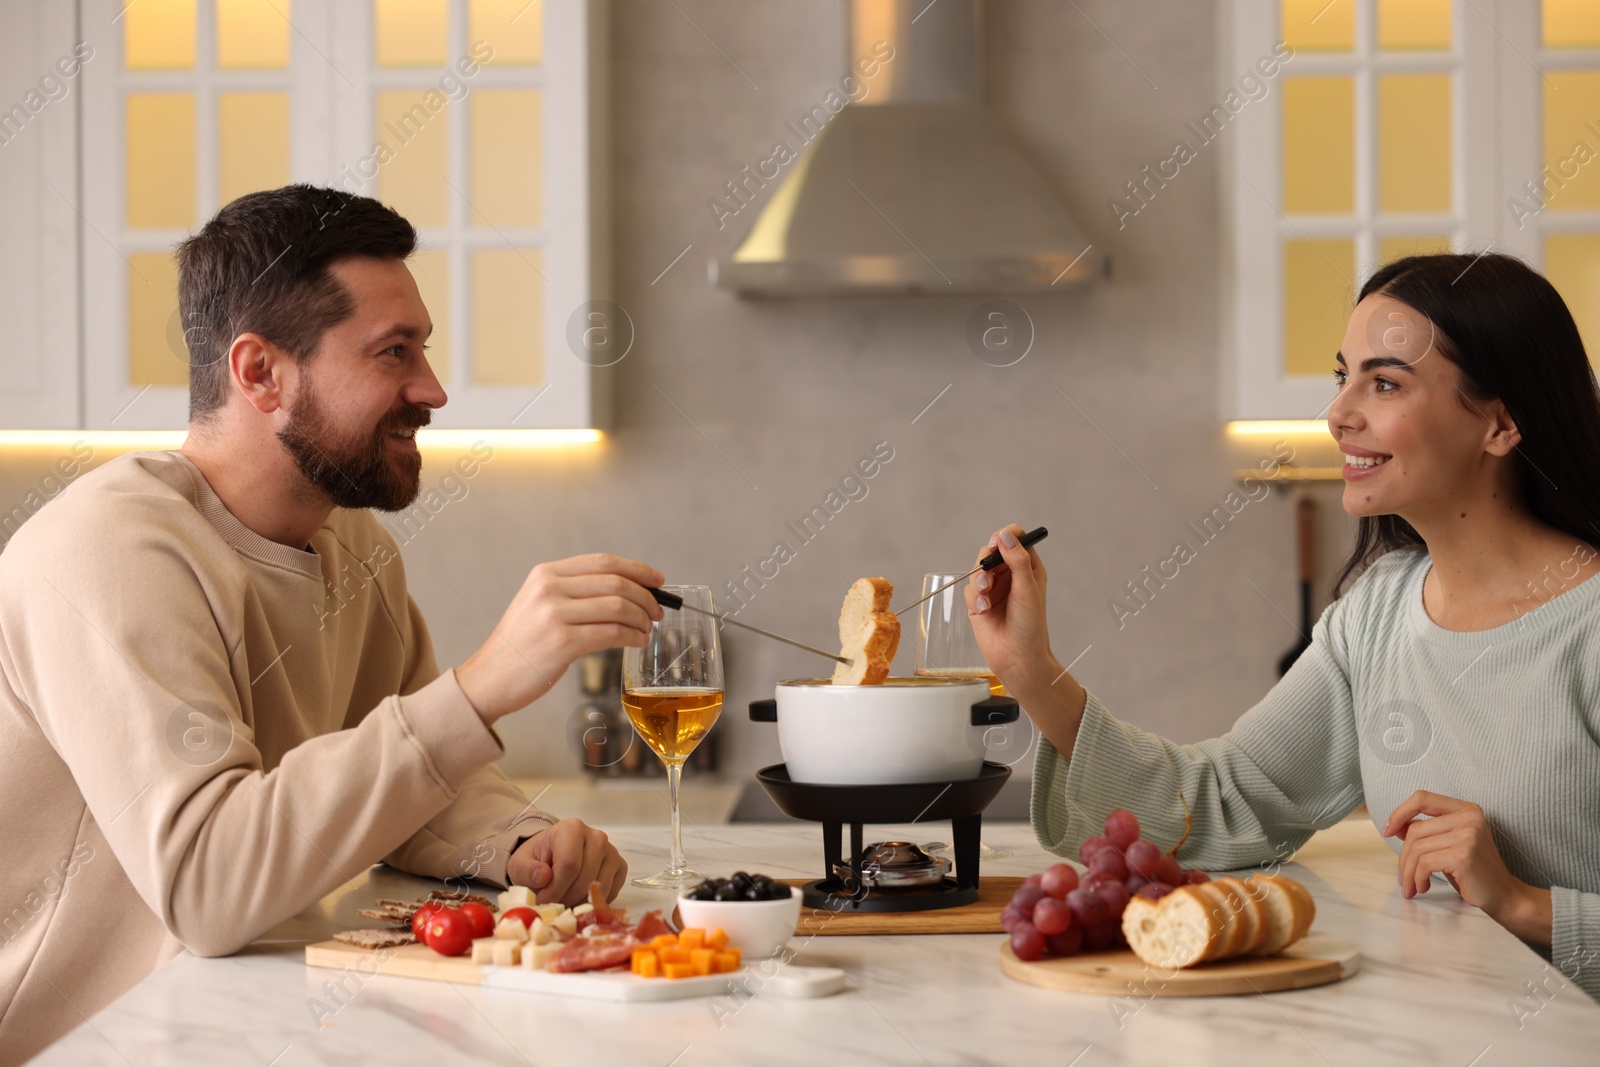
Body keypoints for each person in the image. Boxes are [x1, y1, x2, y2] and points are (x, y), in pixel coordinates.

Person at [0, 185, 665, 1061]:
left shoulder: (348, 544)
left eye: (422, 348)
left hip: (222, 1025)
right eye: (393, 352)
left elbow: (415, 777)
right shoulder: (108, 550)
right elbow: (207, 884)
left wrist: (520, 845)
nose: (432, 389)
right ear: (260, 372)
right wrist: (481, 685)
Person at [969, 252, 1600, 999]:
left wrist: (1523, 903)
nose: (1338, 413)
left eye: (1385, 382)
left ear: (1499, 423)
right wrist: (1033, 672)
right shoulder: (1377, 614)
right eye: (1344, 377)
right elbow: (1229, 798)